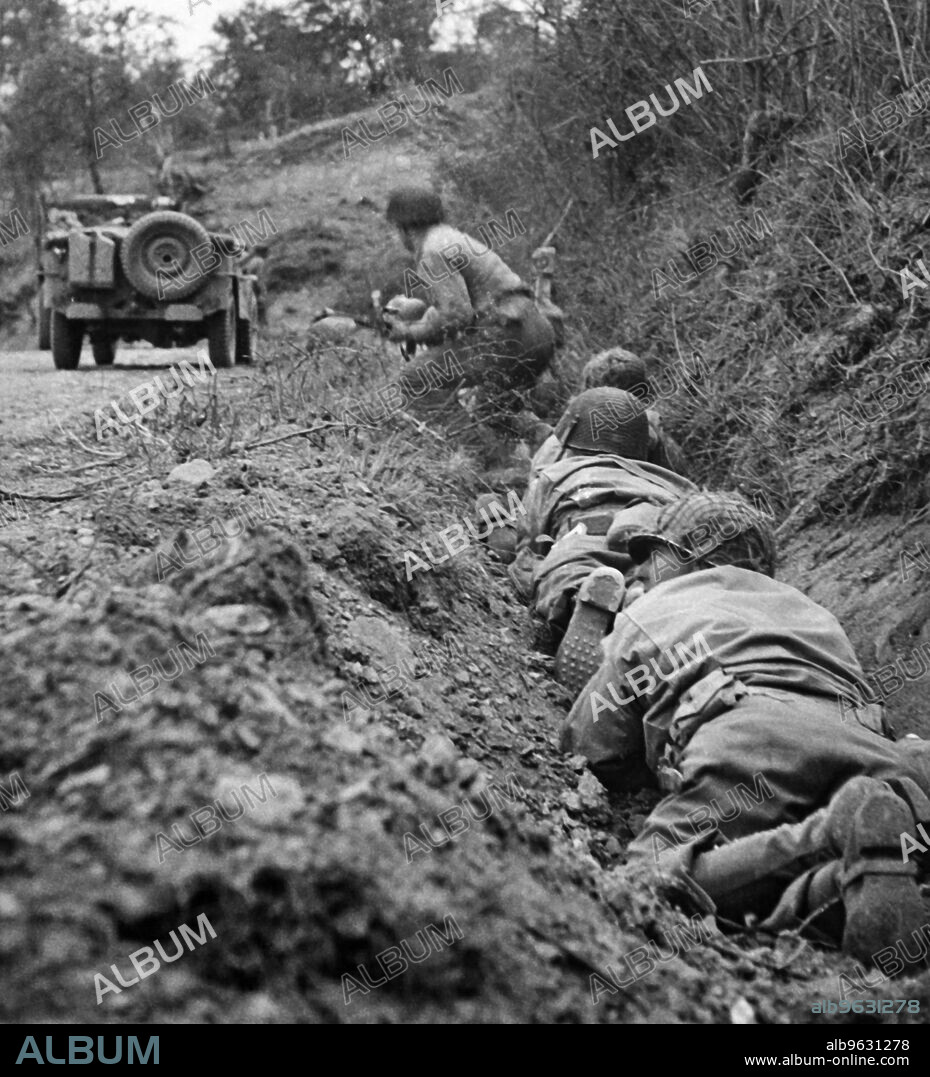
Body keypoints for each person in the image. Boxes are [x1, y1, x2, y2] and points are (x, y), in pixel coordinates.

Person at [560, 492, 930, 964]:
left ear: (682, 559)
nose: (646, 572)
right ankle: (850, 869)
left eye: (656, 557)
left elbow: (592, 745)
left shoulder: (654, 608)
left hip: (752, 743)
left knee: (644, 889)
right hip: (867, 752)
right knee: (865, 849)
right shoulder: (814, 613)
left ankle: (824, 837)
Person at [510, 388, 697, 693]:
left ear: (572, 435)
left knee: (556, 570)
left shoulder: (556, 474)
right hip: (659, 549)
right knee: (663, 585)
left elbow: (530, 543)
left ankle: (578, 598)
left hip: (584, 536)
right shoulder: (674, 484)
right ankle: (637, 599)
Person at [381, 187, 556, 413]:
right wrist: (422, 324)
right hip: (536, 331)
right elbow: (460, 305)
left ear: (403, 227)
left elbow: (457, 315)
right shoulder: (451, 237)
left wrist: (407, 332)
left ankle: (461, 450)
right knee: (492, 413)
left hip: (508, 337)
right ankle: (547, 444)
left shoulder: (431, 251)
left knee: (414, 380)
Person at [531, 348, 686, 476]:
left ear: (584, 392)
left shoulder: (555, 442)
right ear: (644, 395)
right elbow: (679, 484)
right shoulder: (652, 433)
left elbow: (533, 492)